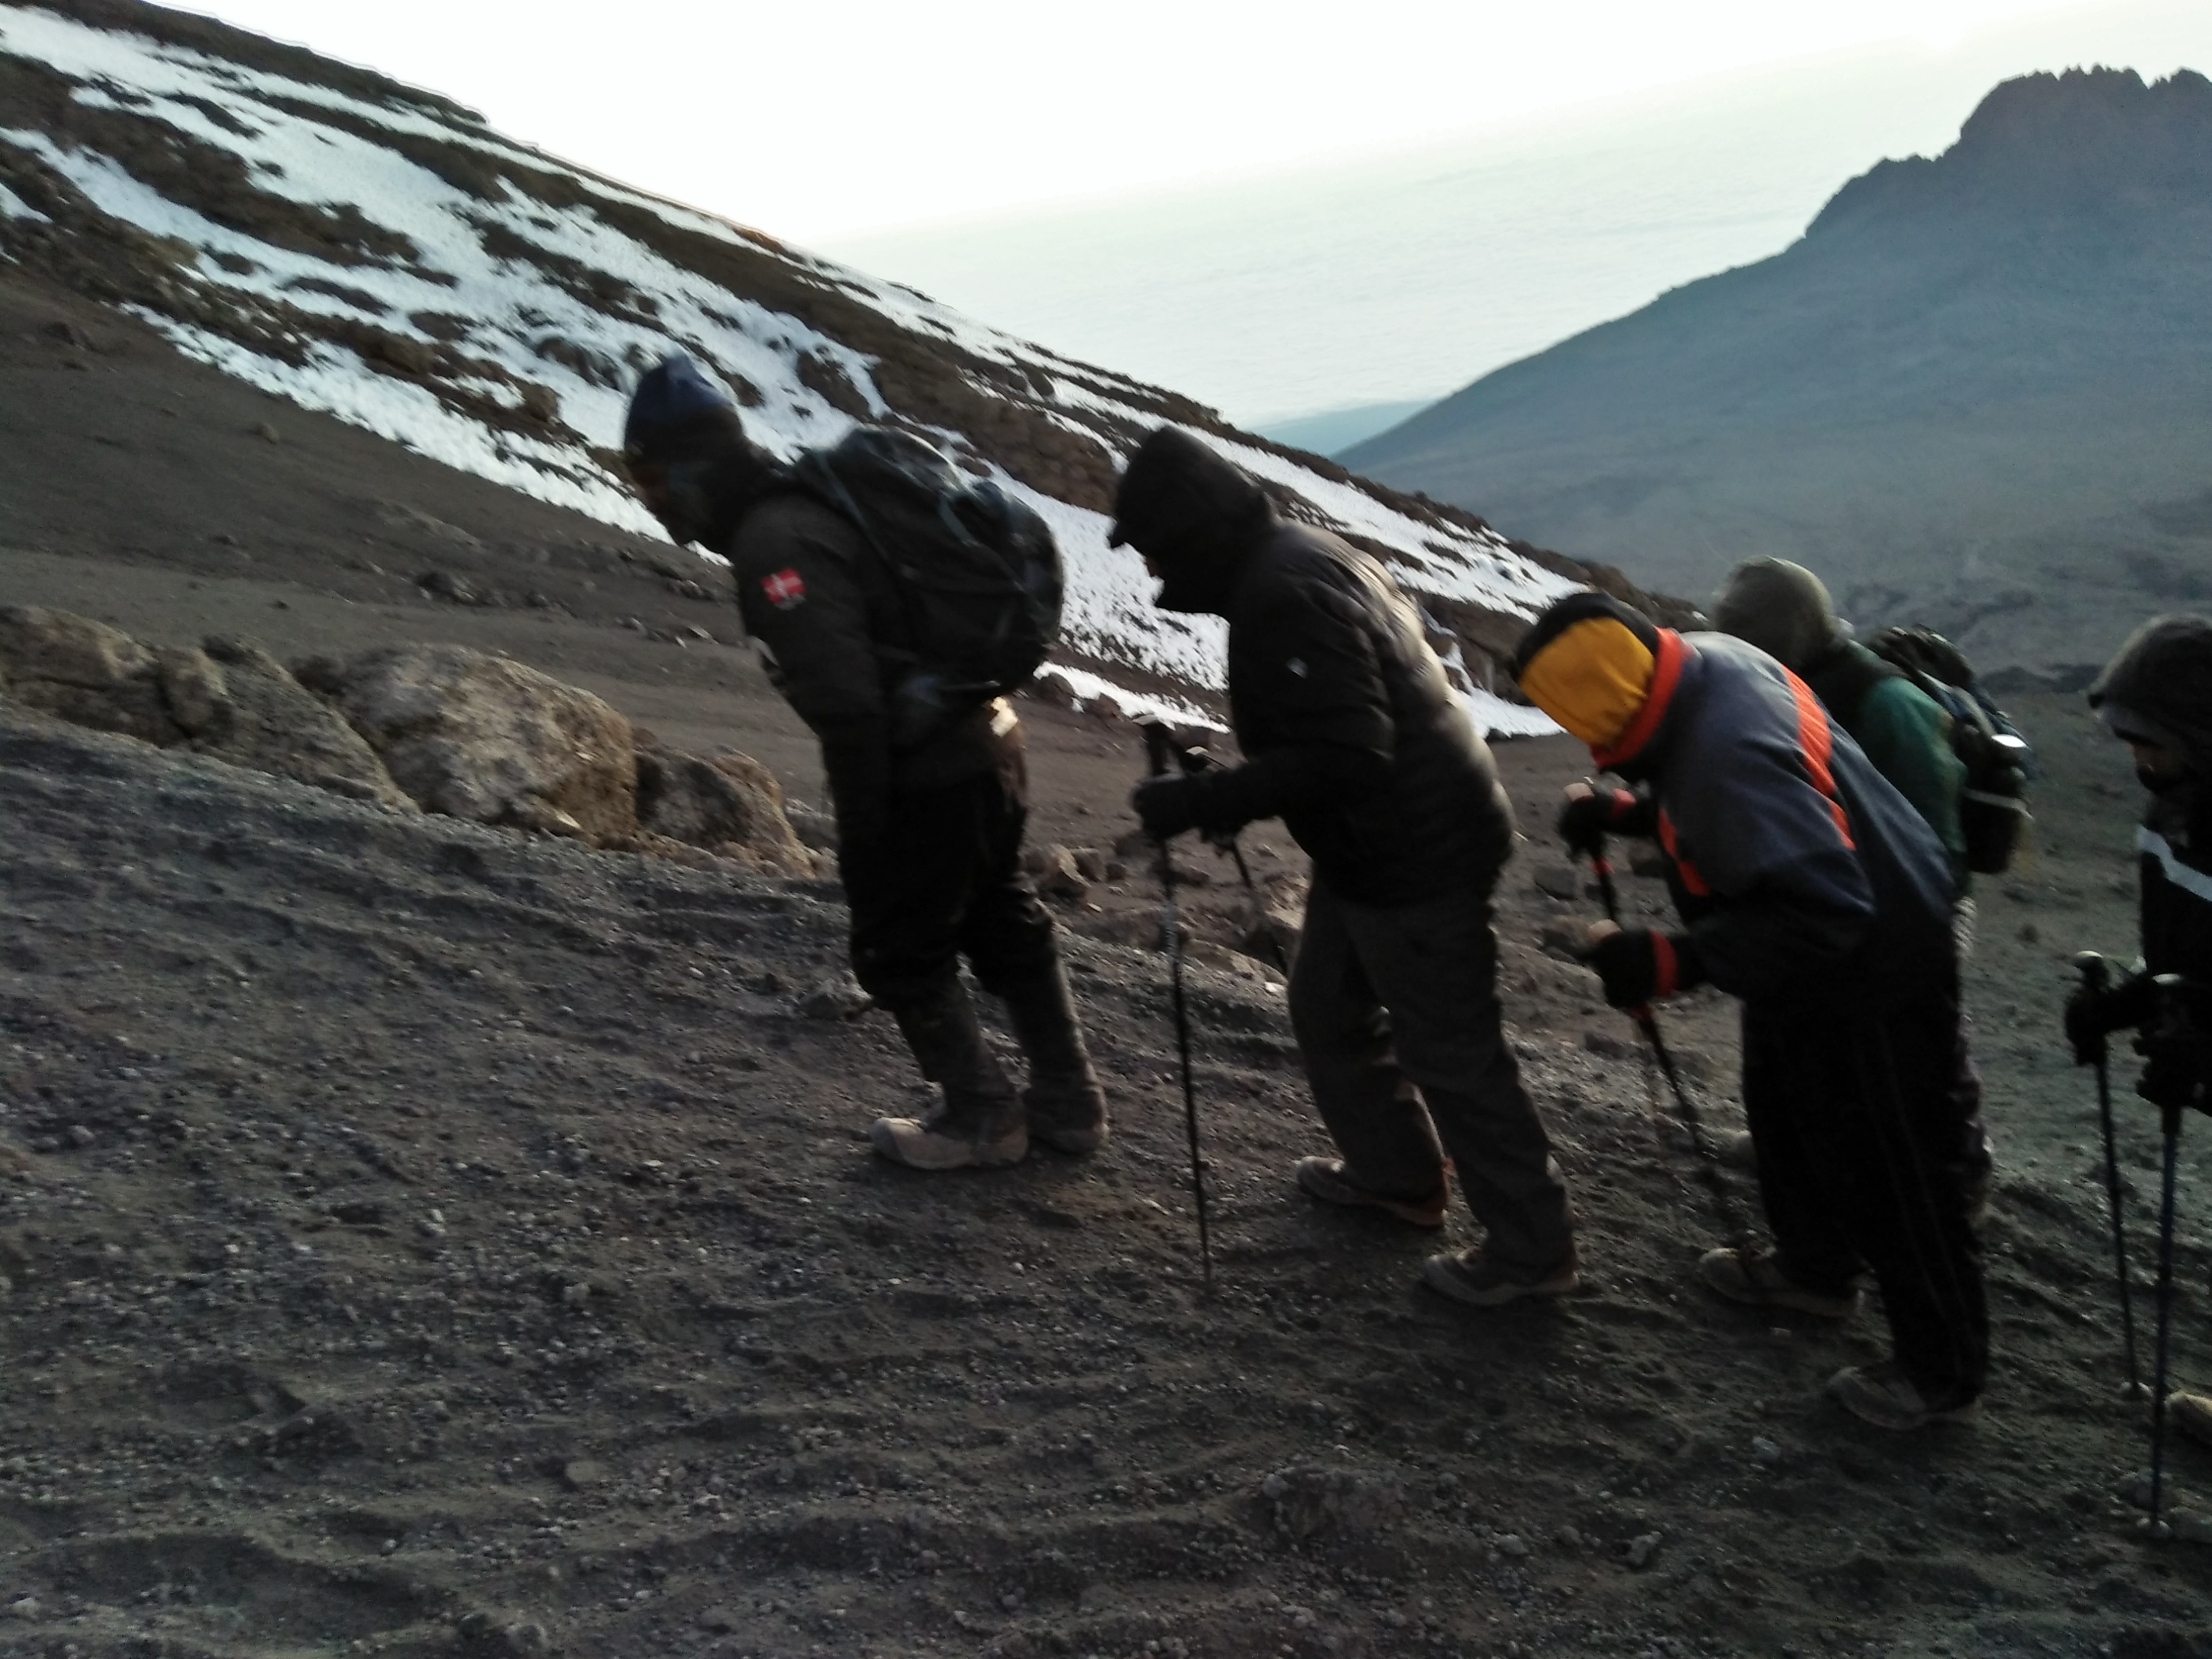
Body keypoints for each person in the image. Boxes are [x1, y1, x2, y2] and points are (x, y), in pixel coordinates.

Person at [1111, 426, 1576, 1307]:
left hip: (1415, 850)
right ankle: (1396, 1177)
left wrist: (1211, 803)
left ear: (1197, 531)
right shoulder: (1290, 562)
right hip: (1383, 843)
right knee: (1326, 1003)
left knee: (1451, 1050)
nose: (1153, 572)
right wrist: (1237, 783)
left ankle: (1531, 1249)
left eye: (1157, 549)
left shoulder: (1282, 590)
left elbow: (1352, 756)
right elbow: (1333, 729)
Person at [1514, 590, 1987, 1430]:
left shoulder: (1721, 752)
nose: (1597, 751)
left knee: (1895, 1167)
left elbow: (1825, 908)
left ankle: (1940, 1368)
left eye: (1597, 734)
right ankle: (1814, 1270)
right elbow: (1775, 811)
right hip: (1826, 947)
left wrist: (1672, 959)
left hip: (1874, 965)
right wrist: (1632, 813)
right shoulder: (1714, 661)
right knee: (1794, 1108)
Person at [621, 354, 1107, 1170]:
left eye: (656, 480)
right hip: (992, 739)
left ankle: (983, 1116)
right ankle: (1070, 1100)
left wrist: (864, 840)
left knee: (896, 948)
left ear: (694, 469)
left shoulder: (775, 544)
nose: (654, 499)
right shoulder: (811, 504)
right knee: (1001, 917)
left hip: (933, 768)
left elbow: (849, 713)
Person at [1708, 558, 1994, 1220]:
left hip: (1917, 909)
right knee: (1817, 1040)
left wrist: (1895, 926)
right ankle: (1809, 1146)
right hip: (1840, 903)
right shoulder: (1799, 685)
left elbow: (1930, 837)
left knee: (1926, 1047)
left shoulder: (1883, 700)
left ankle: (1962, 1168)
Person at [2066, 615, 2212, 1446]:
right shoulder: (2173, 811)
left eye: (2151, 739)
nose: (2136, 758)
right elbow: (2187, 956)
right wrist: (2126, 1002)